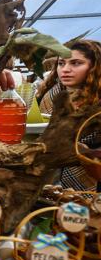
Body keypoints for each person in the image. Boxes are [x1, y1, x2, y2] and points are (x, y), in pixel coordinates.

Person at [37, 39, 101, 191]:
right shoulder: (49, 95)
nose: (65, 69)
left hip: (91, 176)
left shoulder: (97, 103)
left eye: (76, 63)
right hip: (46, 174)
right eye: (61, 63)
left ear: (94, 66)